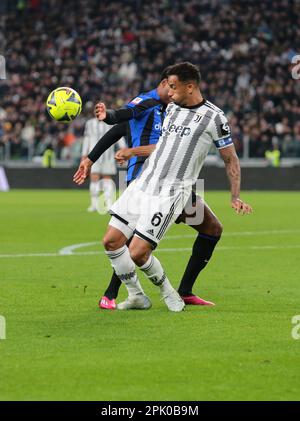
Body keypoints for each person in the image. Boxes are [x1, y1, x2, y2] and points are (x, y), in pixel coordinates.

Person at [74, 62, 253, 312]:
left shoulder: (214, 117)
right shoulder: (170, 109)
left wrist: (235, 196)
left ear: (189, 87)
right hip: (143, 182)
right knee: (112, 241)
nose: (168, 92)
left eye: (173, 87)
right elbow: (158, 142)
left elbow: (230, 158)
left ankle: (173, 292)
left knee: (142, 249)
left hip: (173, 191)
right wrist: (117, 137)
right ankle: (135, 295)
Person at [81, 117, 126, 212]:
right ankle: (94, 204)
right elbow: (87, 139)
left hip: (108, 156)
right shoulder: (90, 123)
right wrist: (84, 154)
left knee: (107, 179)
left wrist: (123, 148)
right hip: (93, 156)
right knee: (94, 178)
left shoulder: (111, 122)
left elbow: (118, 135)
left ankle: (109, 203)